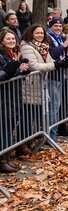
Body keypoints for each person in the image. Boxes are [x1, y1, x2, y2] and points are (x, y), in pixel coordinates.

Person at [0, 29, 30, 173]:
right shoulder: (2, 55)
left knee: (11, 124)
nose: (12, 41)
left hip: (14, 95)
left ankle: (7, 157)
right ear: (2, 41)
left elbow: (14, 72)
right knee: (5, 128)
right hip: (4, 96)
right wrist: (16, 67)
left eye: (13, 38)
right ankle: (2, 160)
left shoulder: (14, 53)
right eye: (8, 39)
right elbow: (3, 74)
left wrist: (23, 69)